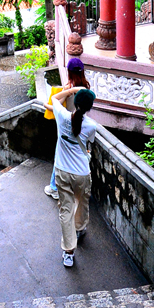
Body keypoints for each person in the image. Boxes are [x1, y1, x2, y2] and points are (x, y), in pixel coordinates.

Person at [44, 85, 97, 267]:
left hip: (62, 171)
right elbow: (88, 143)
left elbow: (54, 99)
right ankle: (80, 228)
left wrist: (70, 91)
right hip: (81, 173)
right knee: (81, 202)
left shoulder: (62, 115)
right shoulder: (91, 126)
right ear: (90, 107)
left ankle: (68, 252)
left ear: (75, 102)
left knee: (66, 210)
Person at [44, 58, 91, 201]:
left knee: (60, 157)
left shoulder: (69, 89)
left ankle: (54, 188)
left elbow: (55, 106)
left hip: (66, 126)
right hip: (81, 127)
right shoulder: (86, 88)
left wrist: (46, 104)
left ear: (69, 72)